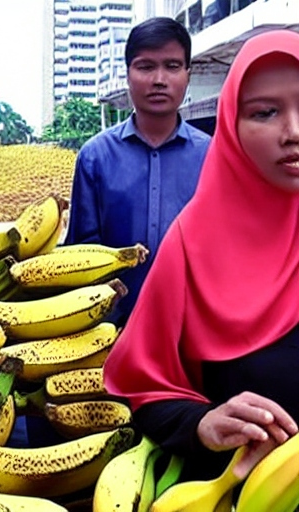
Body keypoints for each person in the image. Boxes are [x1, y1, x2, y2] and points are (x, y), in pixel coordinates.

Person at [104, 29, 299, 483]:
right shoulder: (192, 243)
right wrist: (201, 423)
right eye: (265, 112)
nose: (293, 132)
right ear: (231, 126)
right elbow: (144, 385)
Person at [64, 16, 211, 328]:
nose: (159, 79)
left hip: (192, 328)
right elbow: (79, 255)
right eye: (145, 67)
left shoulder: (213, 157)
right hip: (109, 329)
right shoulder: (94, 157)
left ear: (188, 74)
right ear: (127, 74)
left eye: (172, 66)